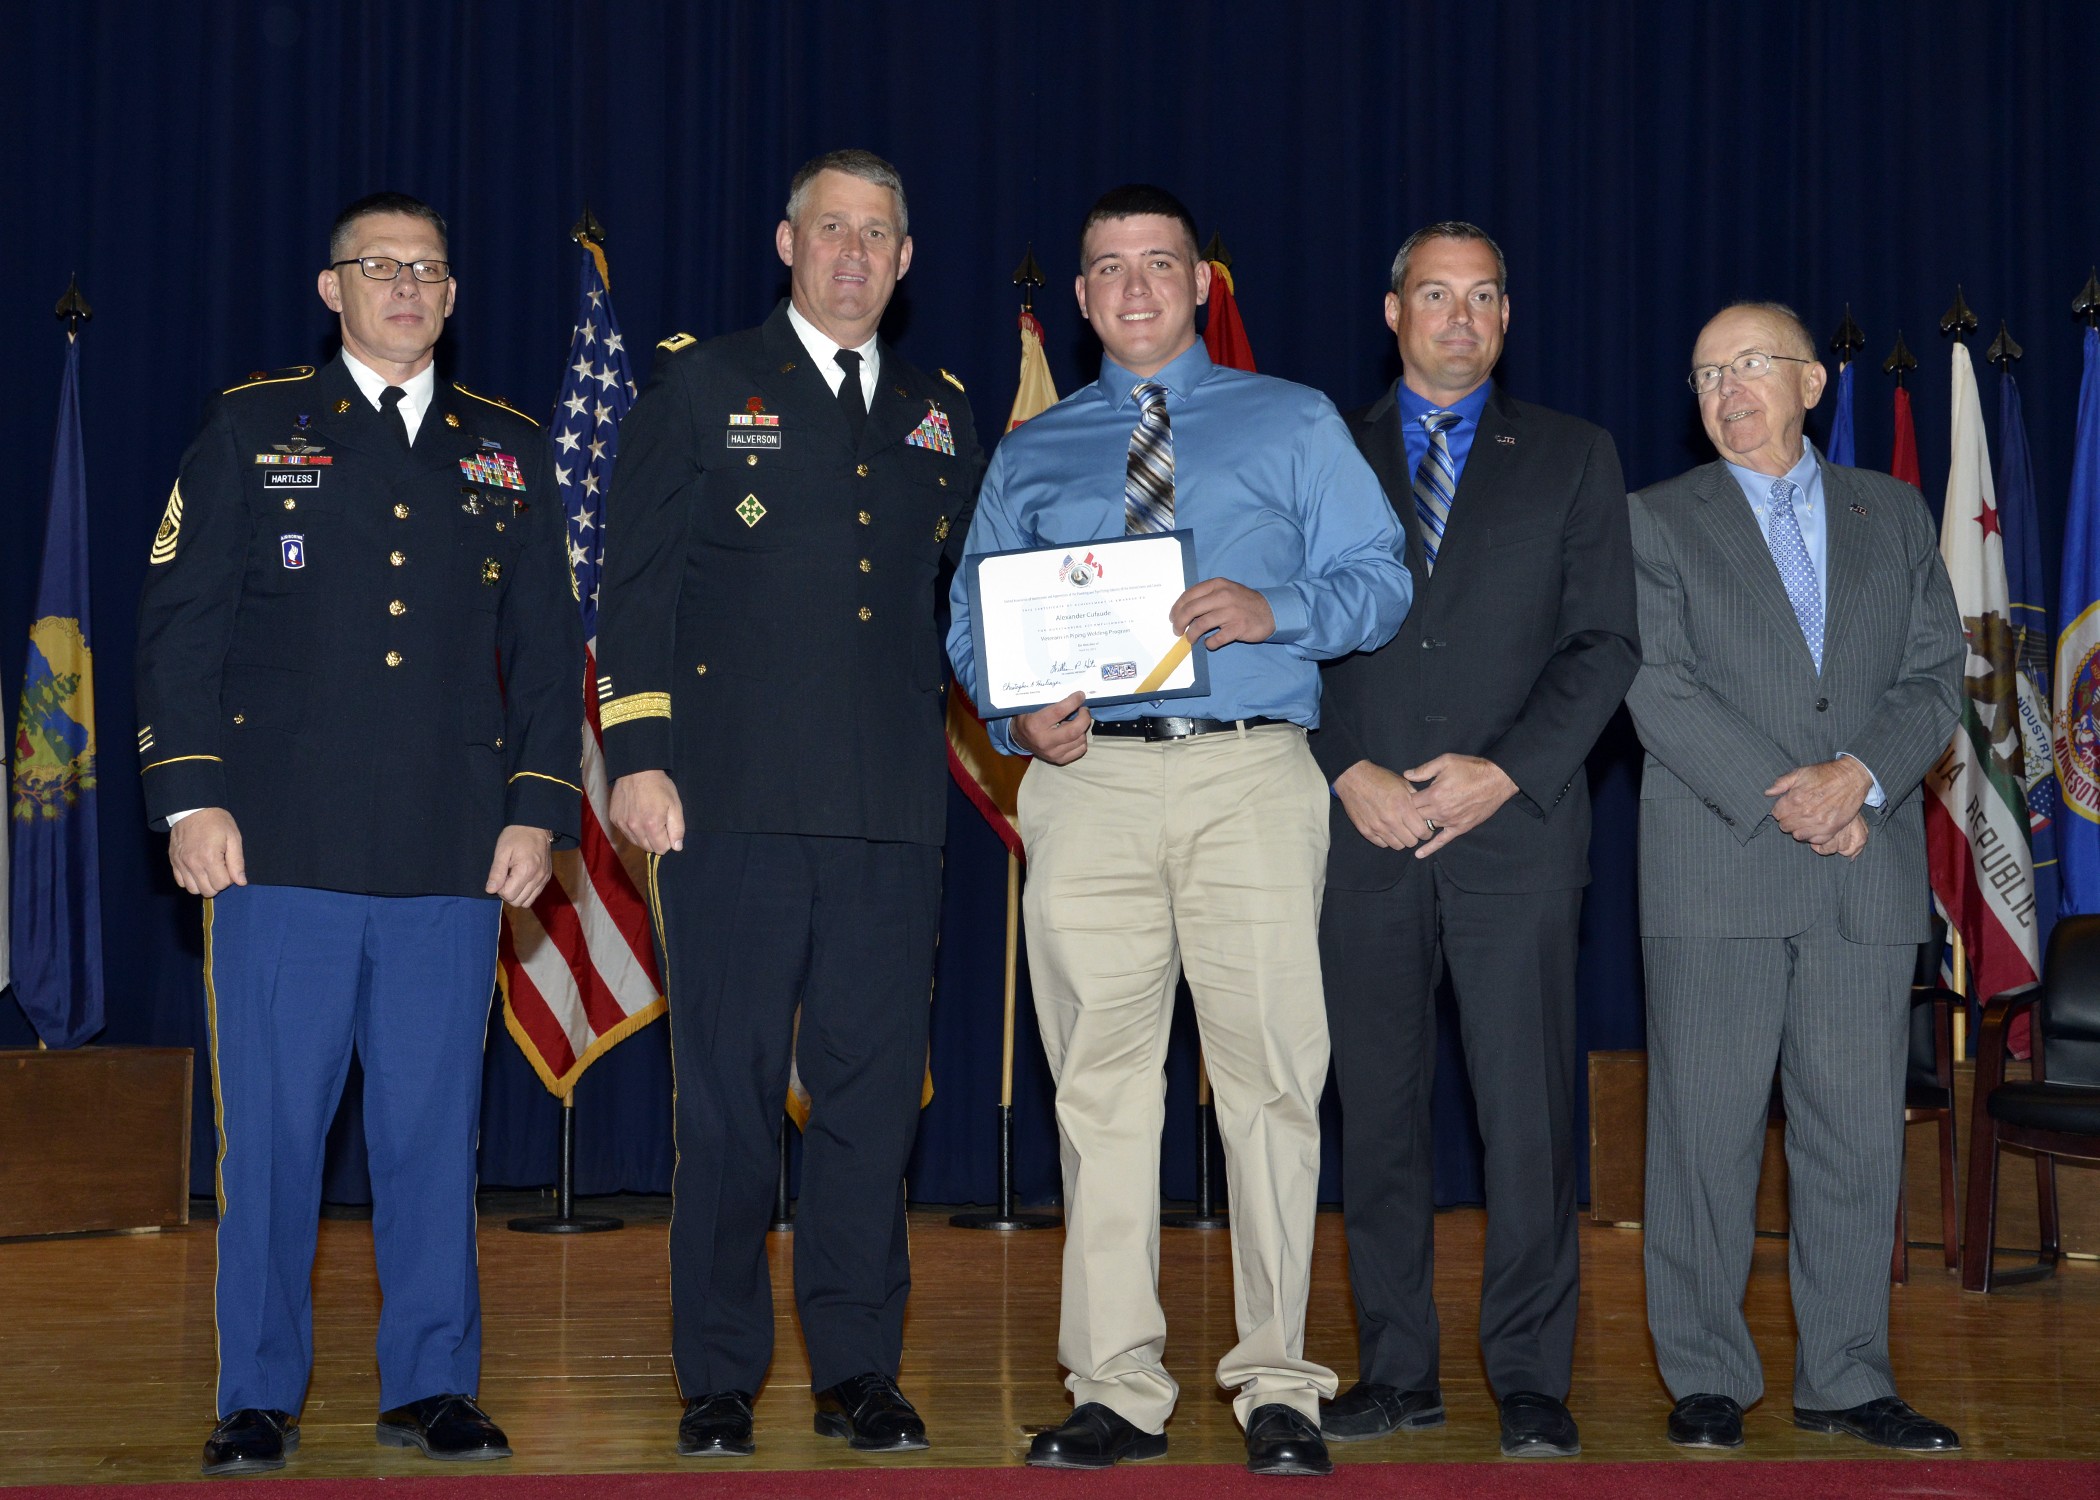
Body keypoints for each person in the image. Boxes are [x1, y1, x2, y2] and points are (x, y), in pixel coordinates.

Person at [947, 184, 1412, 1477]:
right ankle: (1115, 1387)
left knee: (1269, 1079)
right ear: (1084, 297)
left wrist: (1276, 610)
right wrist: (1014, 710)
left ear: (1200, 283)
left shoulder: (1294, 419)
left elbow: (1382, 576)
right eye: (1110, 268)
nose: (1137, 287)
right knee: (1097, 1085)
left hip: (1249, 778)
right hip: (1087, 790)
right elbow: (973, 625)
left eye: (1161, 264)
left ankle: (1279, 1383)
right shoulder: (1032, 449)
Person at [135, 192, 582, 1476]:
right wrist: (188, 794)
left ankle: (432, 1383)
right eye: (380, 267)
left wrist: (541, 810)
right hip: (278, 846)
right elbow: (180, 626)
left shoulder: (508, 449)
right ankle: (259, 1393)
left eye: (429, 269)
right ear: (331, 290)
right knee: (271, 1134)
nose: (406, 287)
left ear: (452, 295)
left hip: (453, 852)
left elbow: (548, 657)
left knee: (434, 1132)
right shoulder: (252, 426)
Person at [596, 149, 982, 1459]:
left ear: (908, 258)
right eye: (833, 230)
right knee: (727, 1102)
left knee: (875, 1107)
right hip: (733, 808)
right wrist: (637, 754)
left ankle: (858, 1370)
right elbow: (633, 585)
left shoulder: (940, 410)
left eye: (880, 233)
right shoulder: (704, 385)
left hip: (889, 816)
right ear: (787, 242)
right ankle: (716, 1375)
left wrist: (1041, 696)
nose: (856, 254)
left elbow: (974, 605)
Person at [1310, 222, 1638, 1459]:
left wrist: (1509, 770)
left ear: (1507, 315)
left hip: (1518, 834)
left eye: (1484, 295)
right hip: (1365, 833)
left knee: (1527, 1116)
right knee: (1379, 1115)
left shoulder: (1570, 455)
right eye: (1435, 295)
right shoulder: (1320, 450)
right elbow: (1281, 635)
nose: (1461, 316)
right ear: (1391, 312)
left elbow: (1604, 640)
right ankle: (1397, 1369)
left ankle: (1531, 1377)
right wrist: (1348, 769)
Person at [1626, 301, 1964, 1452]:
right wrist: (1802, 794)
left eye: (1750, 365)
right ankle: (1709, 1375)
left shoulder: (1897, 512)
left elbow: (1934, 679)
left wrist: (1862, 776)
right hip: (1719, 864)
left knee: (1857, 1136)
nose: (1726, 390)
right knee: (1704, 1136)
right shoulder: (1653, 522)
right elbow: (1657, 688)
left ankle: (1848, 1374)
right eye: (1706, 372)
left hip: (1861, 871)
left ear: (1812, 383)